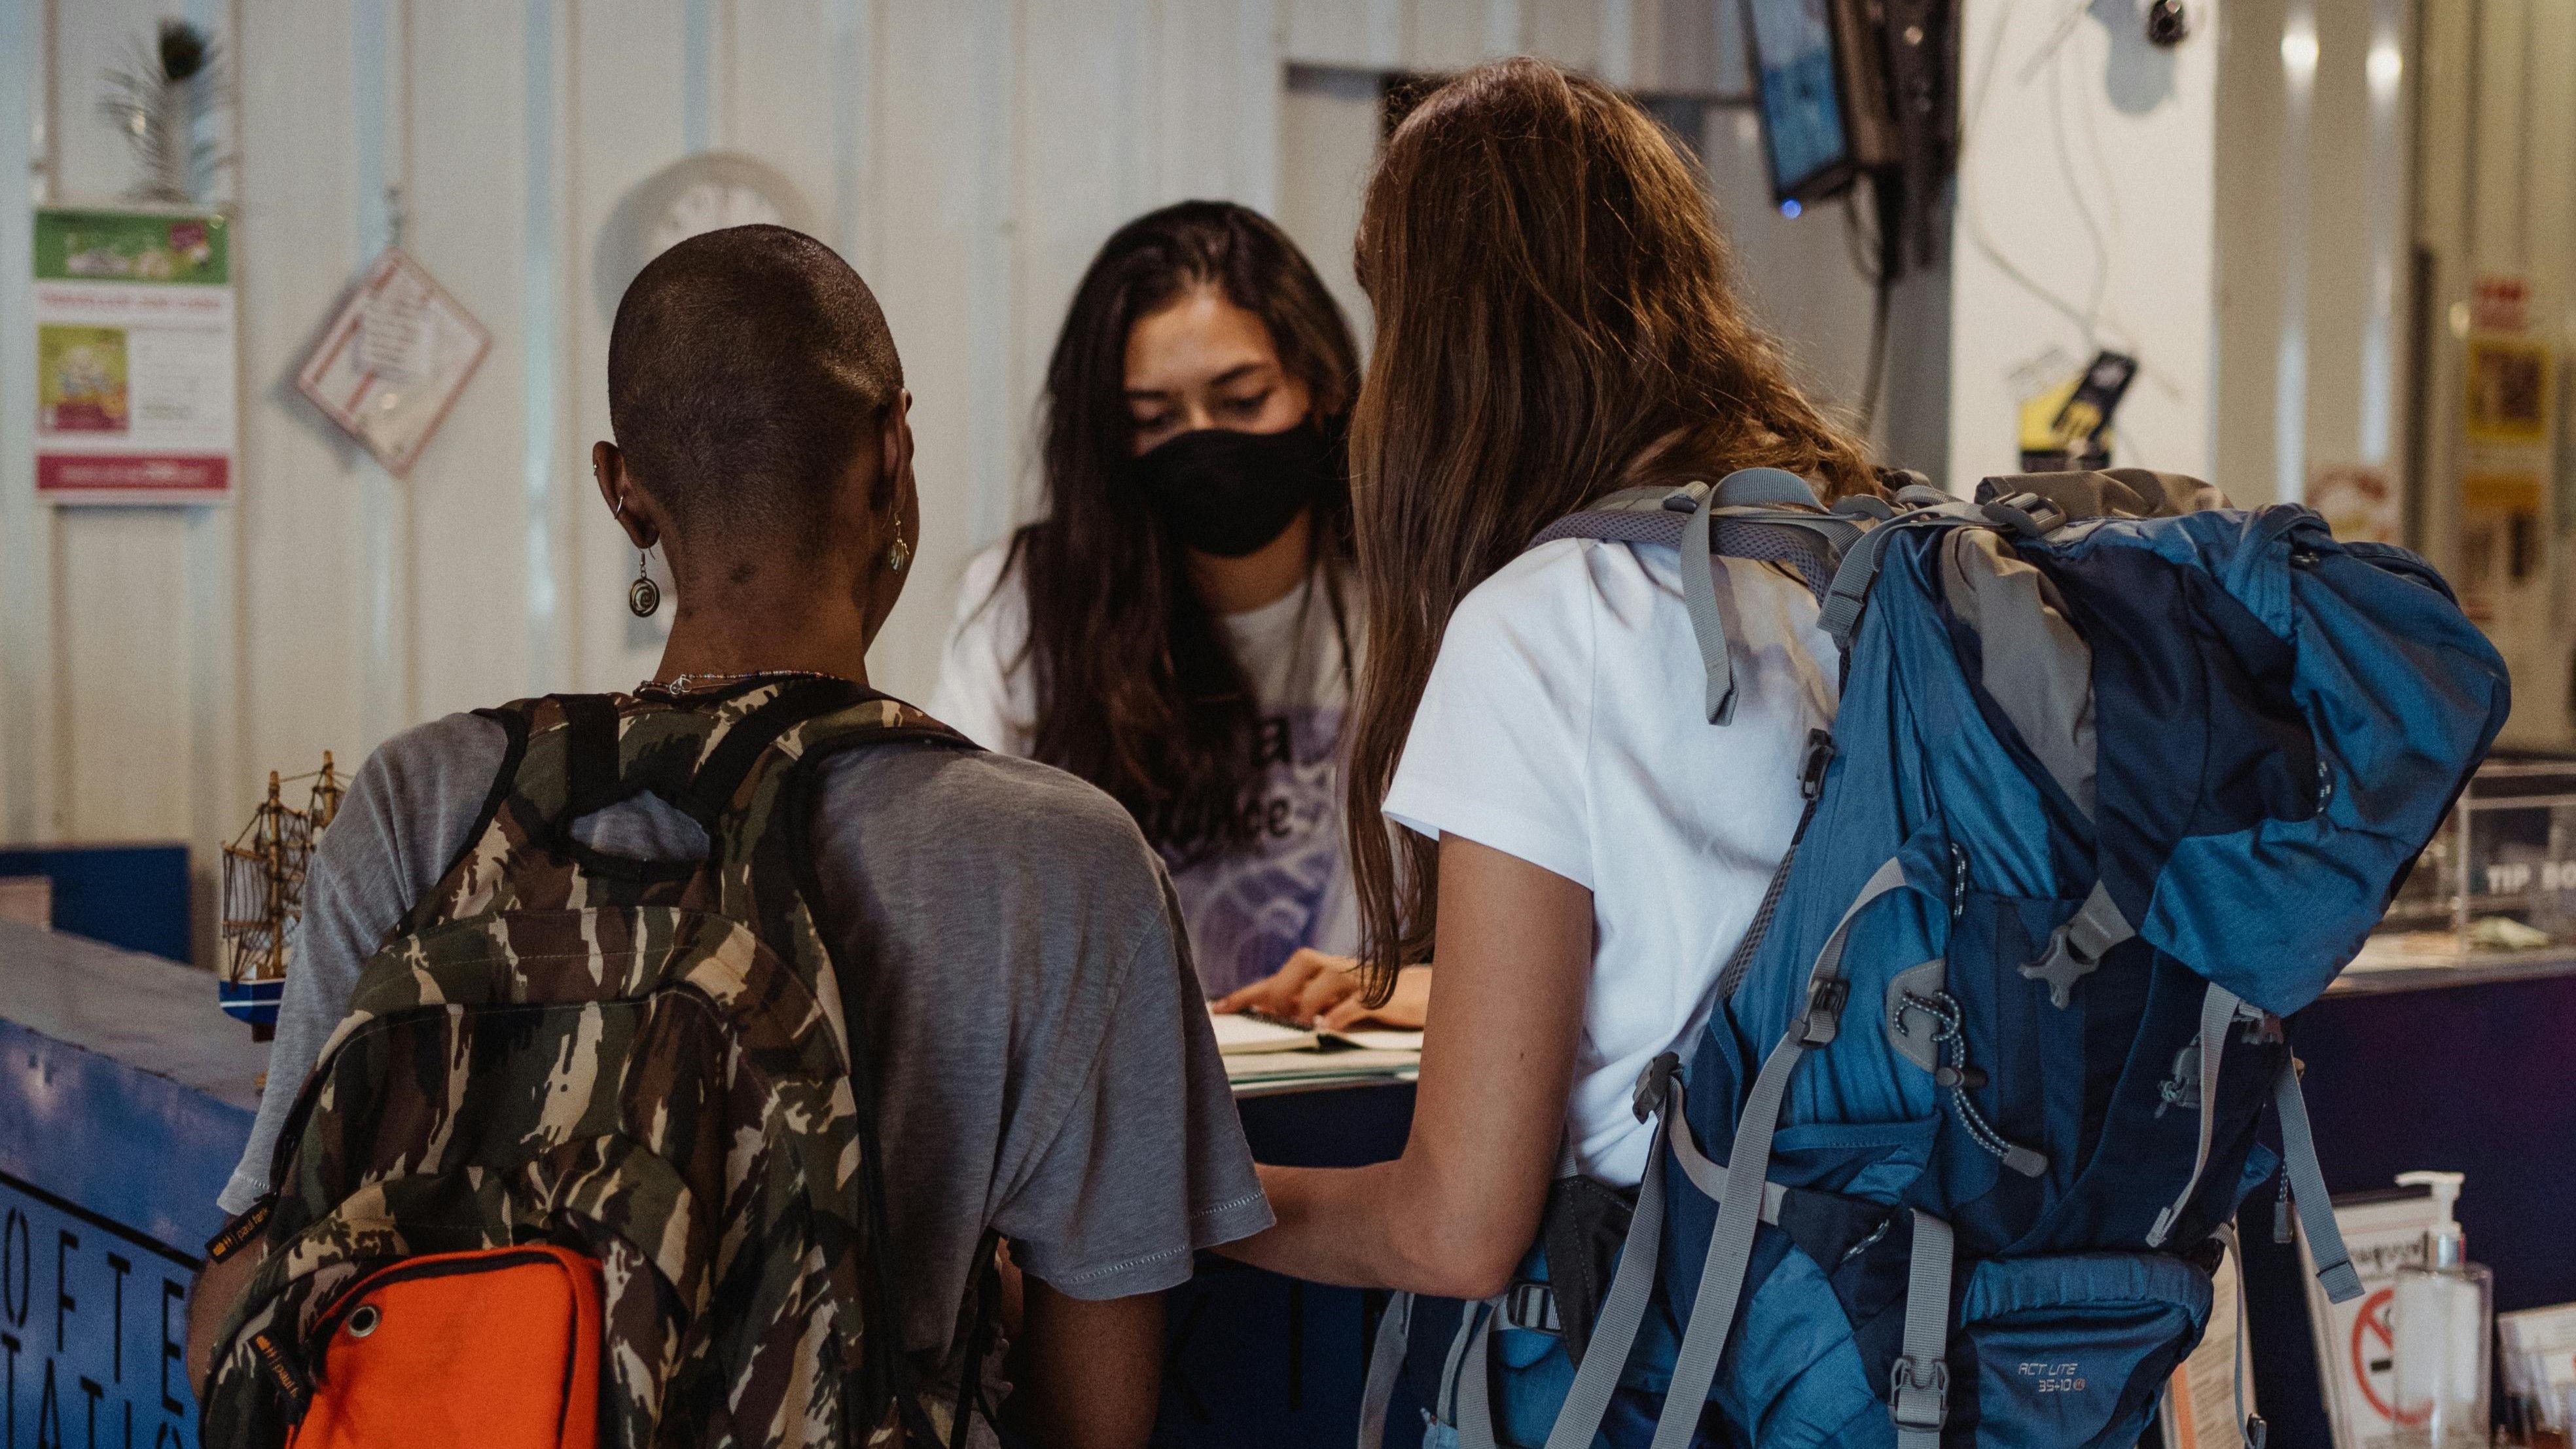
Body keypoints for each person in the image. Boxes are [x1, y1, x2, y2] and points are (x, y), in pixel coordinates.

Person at [188, 224, 1270, 1449]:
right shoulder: (1062, 863)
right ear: (892, 450)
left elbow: (243, 1310)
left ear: (621, 487)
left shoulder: (424, 801)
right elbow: (1097, 1416)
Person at [1215, 60, 1880, 1444]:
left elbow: (1455, 1228)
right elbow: (1733, 955)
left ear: (1451, 343)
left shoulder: (1545, 621)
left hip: (1685, 1376)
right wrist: (1442, 995)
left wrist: (1189, 1204)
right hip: (1900, 1349)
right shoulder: (1859, 557)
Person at [929, 201, 1390, 1012]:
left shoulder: (1404, 601)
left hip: (1348, 1082)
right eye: (1156, 420)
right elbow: (958, 881)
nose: (1204, 440)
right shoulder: (1027, 602)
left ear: (1319, 383)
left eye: (1243, 400)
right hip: (1120, 1097)